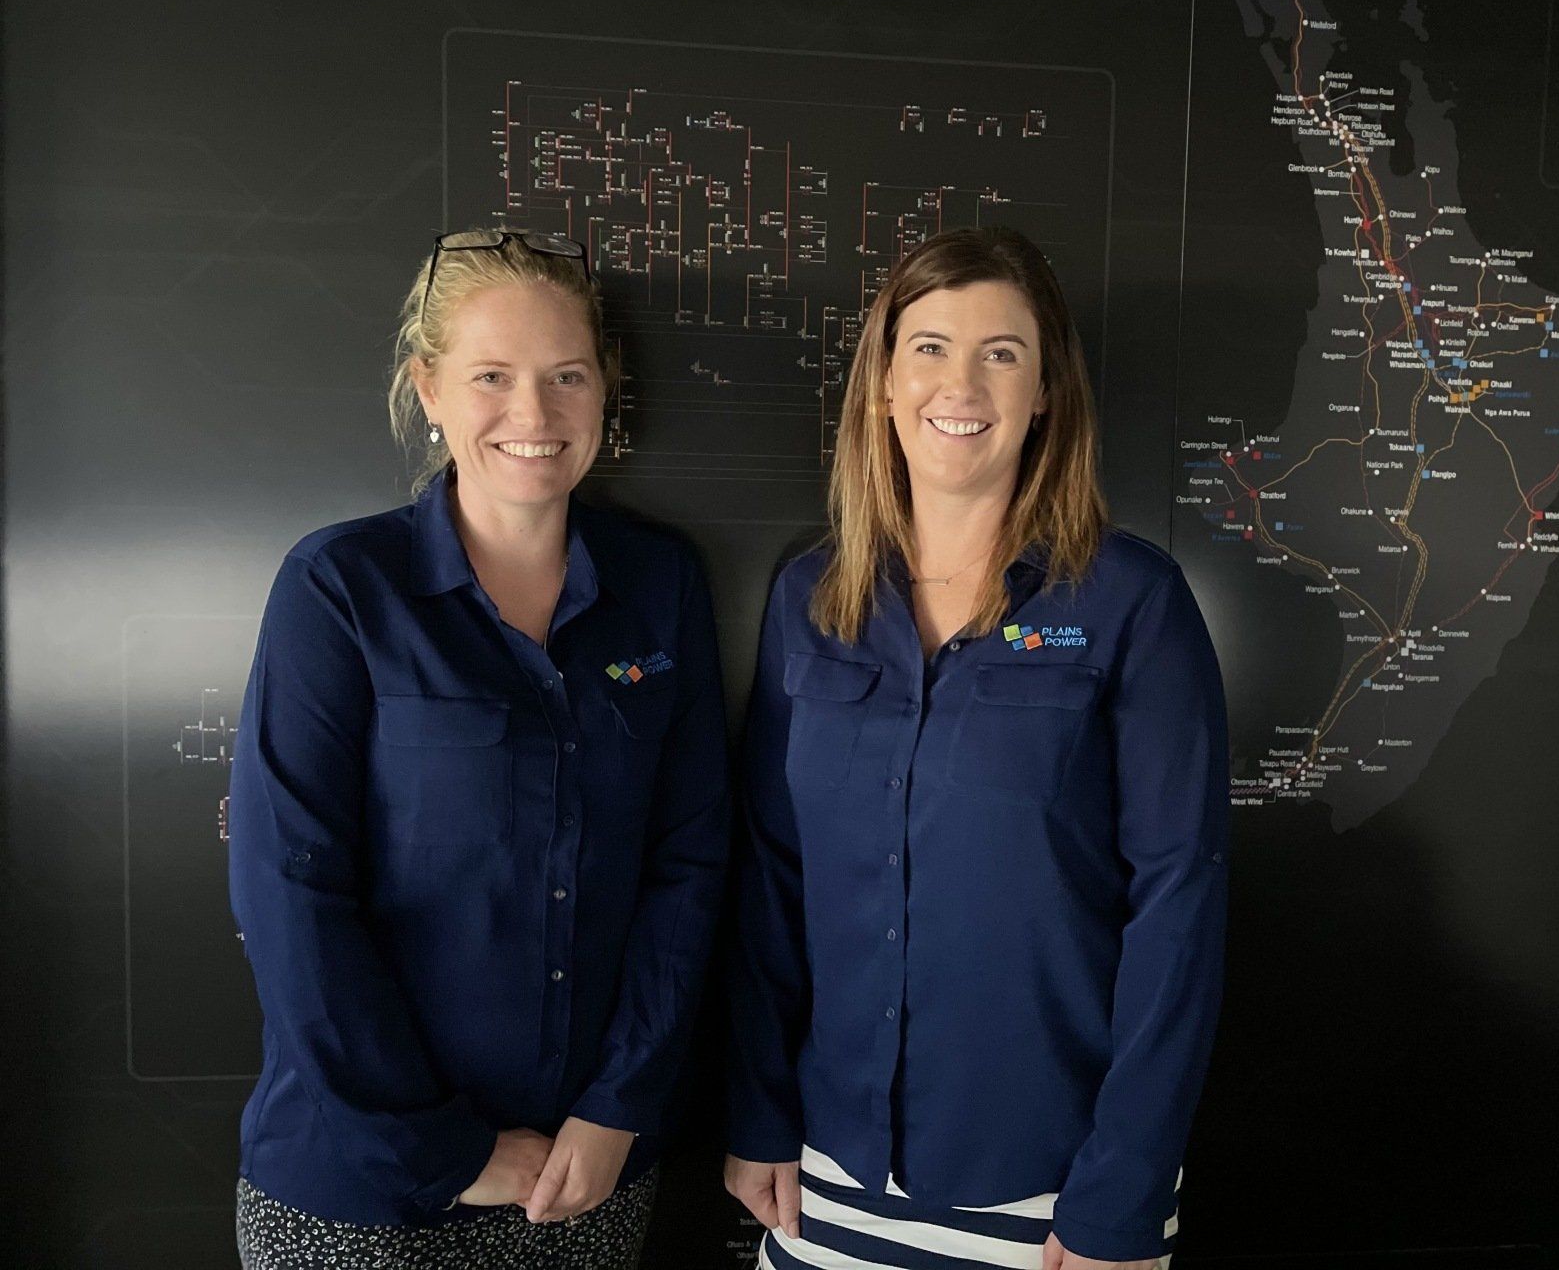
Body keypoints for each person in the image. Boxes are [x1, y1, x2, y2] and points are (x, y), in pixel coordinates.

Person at [724, 226, 1229, 1270]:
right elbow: (771, 876)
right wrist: (759, 1111)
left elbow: (1179, 905)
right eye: (929, 346)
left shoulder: (1134, 603)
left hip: (1058, 1188)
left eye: (1002, 351)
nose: (962, 381)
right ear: (882, 384)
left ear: (1044, 391)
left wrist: (1122, 1190)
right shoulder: (808, 600)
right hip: (829, 1171)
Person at [226, 228, 729, 1268]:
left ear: (604, 390)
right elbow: (290, 889)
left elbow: (687, 865)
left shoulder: (660, 585)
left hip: (582, 1178)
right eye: (492, 376)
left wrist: (618, 1107)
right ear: (430, 389)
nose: (533, 415)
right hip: (359, 1190)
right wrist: (439, 1147)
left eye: (567, 376)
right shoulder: (339, 589)